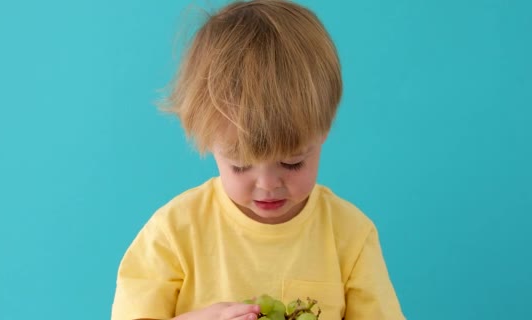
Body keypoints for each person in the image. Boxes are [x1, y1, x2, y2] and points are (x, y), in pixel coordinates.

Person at [111, 1, 405, 319]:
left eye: (292, 163)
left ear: (324, 130)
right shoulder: (173, 234)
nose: (267, 185)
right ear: (209, 141)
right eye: (240, 165)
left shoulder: (350, 237)